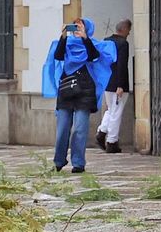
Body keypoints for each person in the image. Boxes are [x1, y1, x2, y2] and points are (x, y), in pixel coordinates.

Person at [41, 18, 117, 173]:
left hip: (84, 92)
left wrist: (85, 38)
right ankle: (59, 161)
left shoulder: (92, 44)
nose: (76, 29)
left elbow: (93, 56)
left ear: (87, 29)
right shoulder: (66, 44)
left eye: (80, 26)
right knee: (62, 130)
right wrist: (63, 37)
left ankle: (78, 163)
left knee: (80, 129)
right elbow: (58, 56)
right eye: (74, 26)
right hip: (66, 91)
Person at [95, 19, 133, 153]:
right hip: (118, 83)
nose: (129, 33)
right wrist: (121, 85)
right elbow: (122, 64)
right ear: (124, 29)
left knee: (111, 109)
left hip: (107, 81)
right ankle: (112, 141)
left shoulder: (106, 41)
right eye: (129, 30)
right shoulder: (123, 44)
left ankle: (102, 132)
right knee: (116, 112)